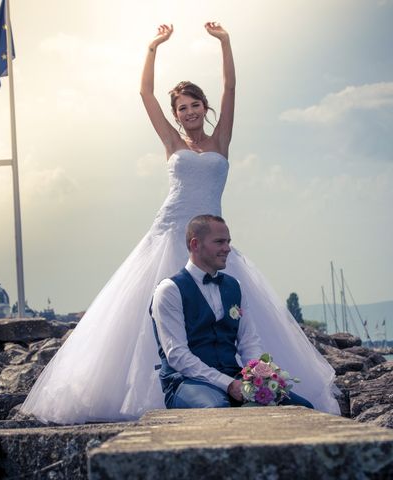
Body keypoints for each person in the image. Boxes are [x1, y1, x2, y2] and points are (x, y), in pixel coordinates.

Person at [20, 23, 339, 424]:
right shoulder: (173, 144)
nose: (189, 113)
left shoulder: (221, 141)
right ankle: (172, 392)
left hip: (214, 237)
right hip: (172, 231)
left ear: (205, 108)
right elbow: (144, 95)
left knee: (232, 315)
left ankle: (246, 382)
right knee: (156, 314)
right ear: (176, 115)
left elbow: (231, 90)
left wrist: (225, 43)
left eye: (195, 105)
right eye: (182, 108)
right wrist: (153, 47)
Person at [151, 214, 314, 409]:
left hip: (234, 376)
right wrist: (227, 384)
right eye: (219, 242)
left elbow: (249, 341)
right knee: (218, 410)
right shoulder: (170, 290)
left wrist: (260, 376)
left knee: (301, 408)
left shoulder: (234, 286)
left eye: (228, 242)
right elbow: (177, 355)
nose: (227, 248)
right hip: (186, 382)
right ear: (195, 244)